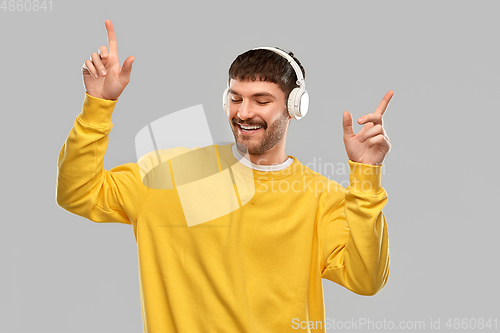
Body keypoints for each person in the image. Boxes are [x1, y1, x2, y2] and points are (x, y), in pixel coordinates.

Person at [56, 20, 393, 333]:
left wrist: (366, 176)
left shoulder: (321, 199)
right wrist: (97, 105)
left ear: (294, 108)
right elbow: (78, 192)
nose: (243, 113)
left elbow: (367, 280)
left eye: (261, 101)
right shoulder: (170, 174)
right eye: (235, 98)